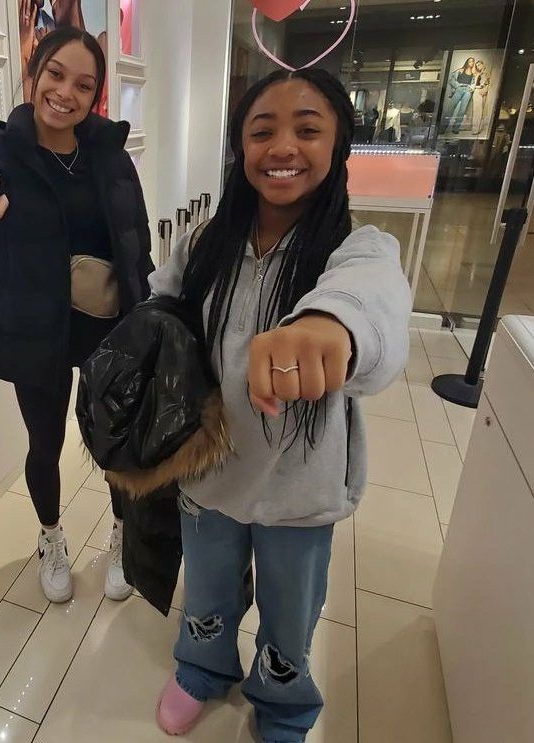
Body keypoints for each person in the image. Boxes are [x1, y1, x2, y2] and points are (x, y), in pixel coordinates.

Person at [148, 69, 411, 742]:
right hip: (208, 472)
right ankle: (201, 667)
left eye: (308, 129)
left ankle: (285, 702)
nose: (282, 146)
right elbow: (164, 312)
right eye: (262, 130)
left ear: (339, 145)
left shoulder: (359, 249)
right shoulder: (204, 240)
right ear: (240, 146)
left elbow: (371, 302)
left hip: (298, 487)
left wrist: (329, 324)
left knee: (291, 609)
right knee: (206, 590)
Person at [0, 27, 152, 605]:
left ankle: (123, 533)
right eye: (55, 75)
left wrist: (147, 301)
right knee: (44, 441)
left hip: (108, 323)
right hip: (41, 329)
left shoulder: (107, 152)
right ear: (35, 74)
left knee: (115, 440)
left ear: (95, 95)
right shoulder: (5, 152)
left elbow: (136, 235)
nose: (66, 93)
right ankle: (51, 536)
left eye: (84, 85)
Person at [443, 57, 476, 135]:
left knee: (462, 110)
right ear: (467, 62)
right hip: (459, 89)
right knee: (450, 108)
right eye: (470, 61)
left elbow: (474, 83)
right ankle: (443, 127)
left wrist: (471, 88)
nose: (471, 63)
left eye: (472, 62)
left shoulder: (474, 73)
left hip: (467, 91)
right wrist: (457, 85)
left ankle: (456, 128)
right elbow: (451, 80)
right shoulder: (460, 70)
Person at [471, 60, 491, 136]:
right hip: (477, 91)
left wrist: (483, 89)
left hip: (481, 91)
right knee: (476, 110)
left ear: (482, 64)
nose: (478, 67)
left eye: (479, 65)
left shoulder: (485, 73)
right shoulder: (478, 74)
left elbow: (486, 84)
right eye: (477, 66)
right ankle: (475, 129)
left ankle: (477, 129)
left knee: (480, 111)